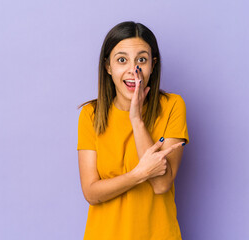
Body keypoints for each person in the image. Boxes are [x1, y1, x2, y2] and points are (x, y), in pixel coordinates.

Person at [77, 21, 189, 240]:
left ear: (152, 64)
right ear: (108, 67)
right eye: (122, 60)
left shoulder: (172, 106)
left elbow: (161, 184)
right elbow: (91, 192)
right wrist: (141, 173)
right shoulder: (91, 114)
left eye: (142, 59)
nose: (133, 69)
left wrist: (136, 119)